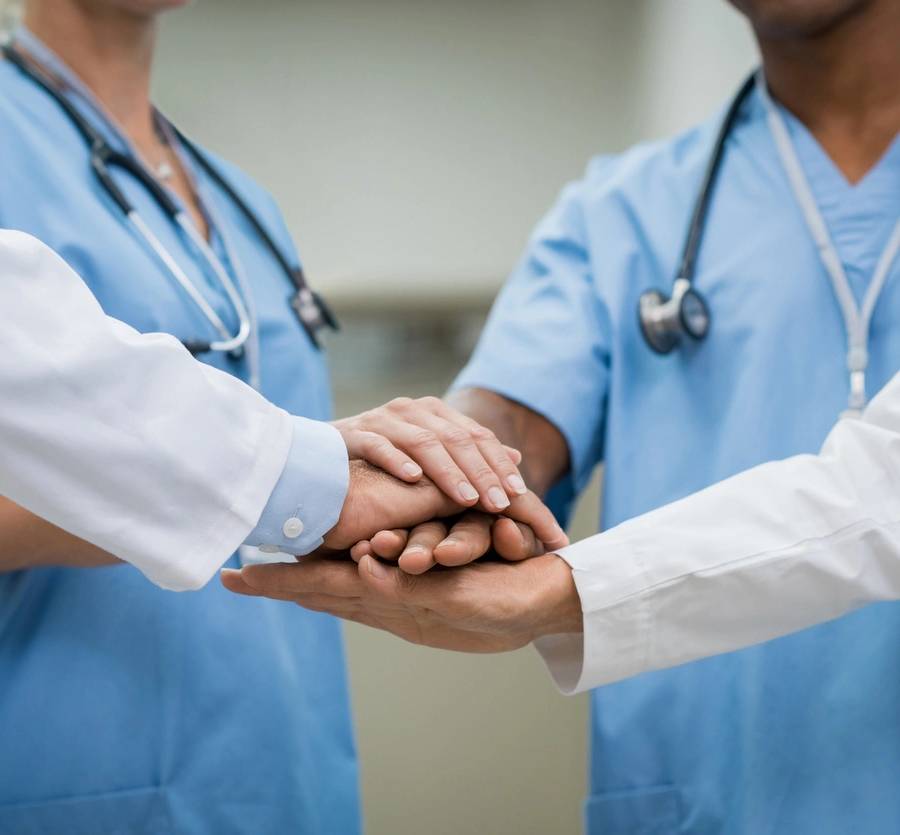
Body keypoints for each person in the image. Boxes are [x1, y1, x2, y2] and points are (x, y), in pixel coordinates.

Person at [223, 0, 900, 832]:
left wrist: (553, 586)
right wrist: (444, 470)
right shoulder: (622, 212)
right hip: (702, 797)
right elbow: (511, 414)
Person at [0, 4, 564, 832]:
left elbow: (300, 469)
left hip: (283, 768)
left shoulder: (241, 201)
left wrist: (393, 497)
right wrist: (317, 494)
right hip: (77, 768)